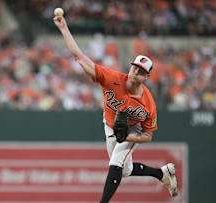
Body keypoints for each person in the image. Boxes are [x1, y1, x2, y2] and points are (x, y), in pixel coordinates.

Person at [53, 15, 178, 202]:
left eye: (142, 71)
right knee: (124, 170)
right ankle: (162, 174)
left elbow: (148, 135)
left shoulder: (148, 104)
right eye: (135, 67)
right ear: (131, 67)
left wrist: (127, 137)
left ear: (146, 77)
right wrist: (64, 29)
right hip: (109, 123)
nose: (136, 72)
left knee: (115, 162)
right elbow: (80, 58)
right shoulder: (111, 78)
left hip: (132, 130)